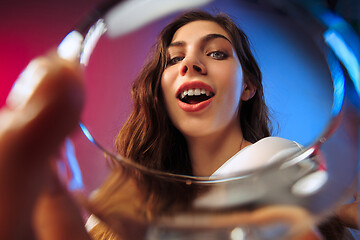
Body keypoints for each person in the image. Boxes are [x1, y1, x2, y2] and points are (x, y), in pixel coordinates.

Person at [0, 10, 356, 240]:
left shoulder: (282, 161)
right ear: (160, 92)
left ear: (248, 86)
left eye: (216, 52)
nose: (191, 64)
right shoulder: (123, 202)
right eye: (174, 59)